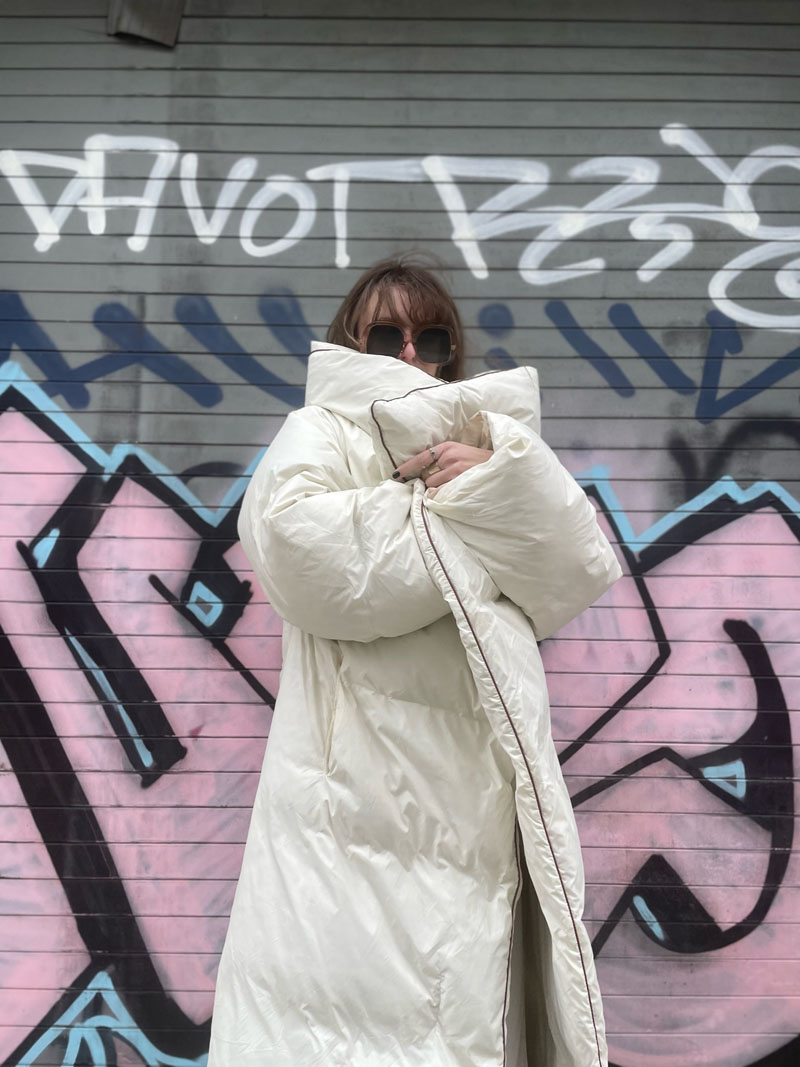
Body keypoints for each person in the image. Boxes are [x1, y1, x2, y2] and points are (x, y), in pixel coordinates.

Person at [207, 256, 622, 1067]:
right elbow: (304, 558)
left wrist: (493, 481)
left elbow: (571, 570)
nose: (409, 354)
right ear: (349, 339)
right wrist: (450, 506)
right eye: (387, 333)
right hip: (350, 815)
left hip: (468, 822)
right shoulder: (320, 432)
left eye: (431, 338)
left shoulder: (489, 446)